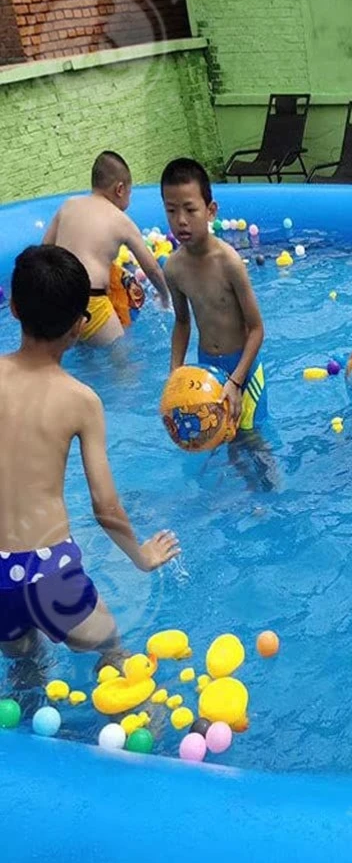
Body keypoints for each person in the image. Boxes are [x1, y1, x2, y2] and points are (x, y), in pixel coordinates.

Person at [0, 246, 179, 663]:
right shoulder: (81, 400)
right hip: (47, 572)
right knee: (112, 651)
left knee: (25, 665)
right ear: (80, 327)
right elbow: (105, 505)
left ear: (12, 308)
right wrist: (141, 555)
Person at [161, 158, 267, 432]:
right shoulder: (173, 268)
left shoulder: (228, 263)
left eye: (190, 210)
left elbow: (256, 329)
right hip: (206, 368)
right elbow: (183, 322)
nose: (180, 220)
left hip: (244, 367)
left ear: (210, 211)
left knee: (254, 440)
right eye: (171, 210)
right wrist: (175, 373)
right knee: (214, 441)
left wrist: (236, 381)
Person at [42, 150, 170, 347]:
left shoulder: (68, 205)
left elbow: (44, 252)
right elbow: (152, 268)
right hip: (90, 299)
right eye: (130, 192)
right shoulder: (121, 221)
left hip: (57, 298)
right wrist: (165, 297)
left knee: (85, 358)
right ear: (120, 189)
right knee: (124, 368)